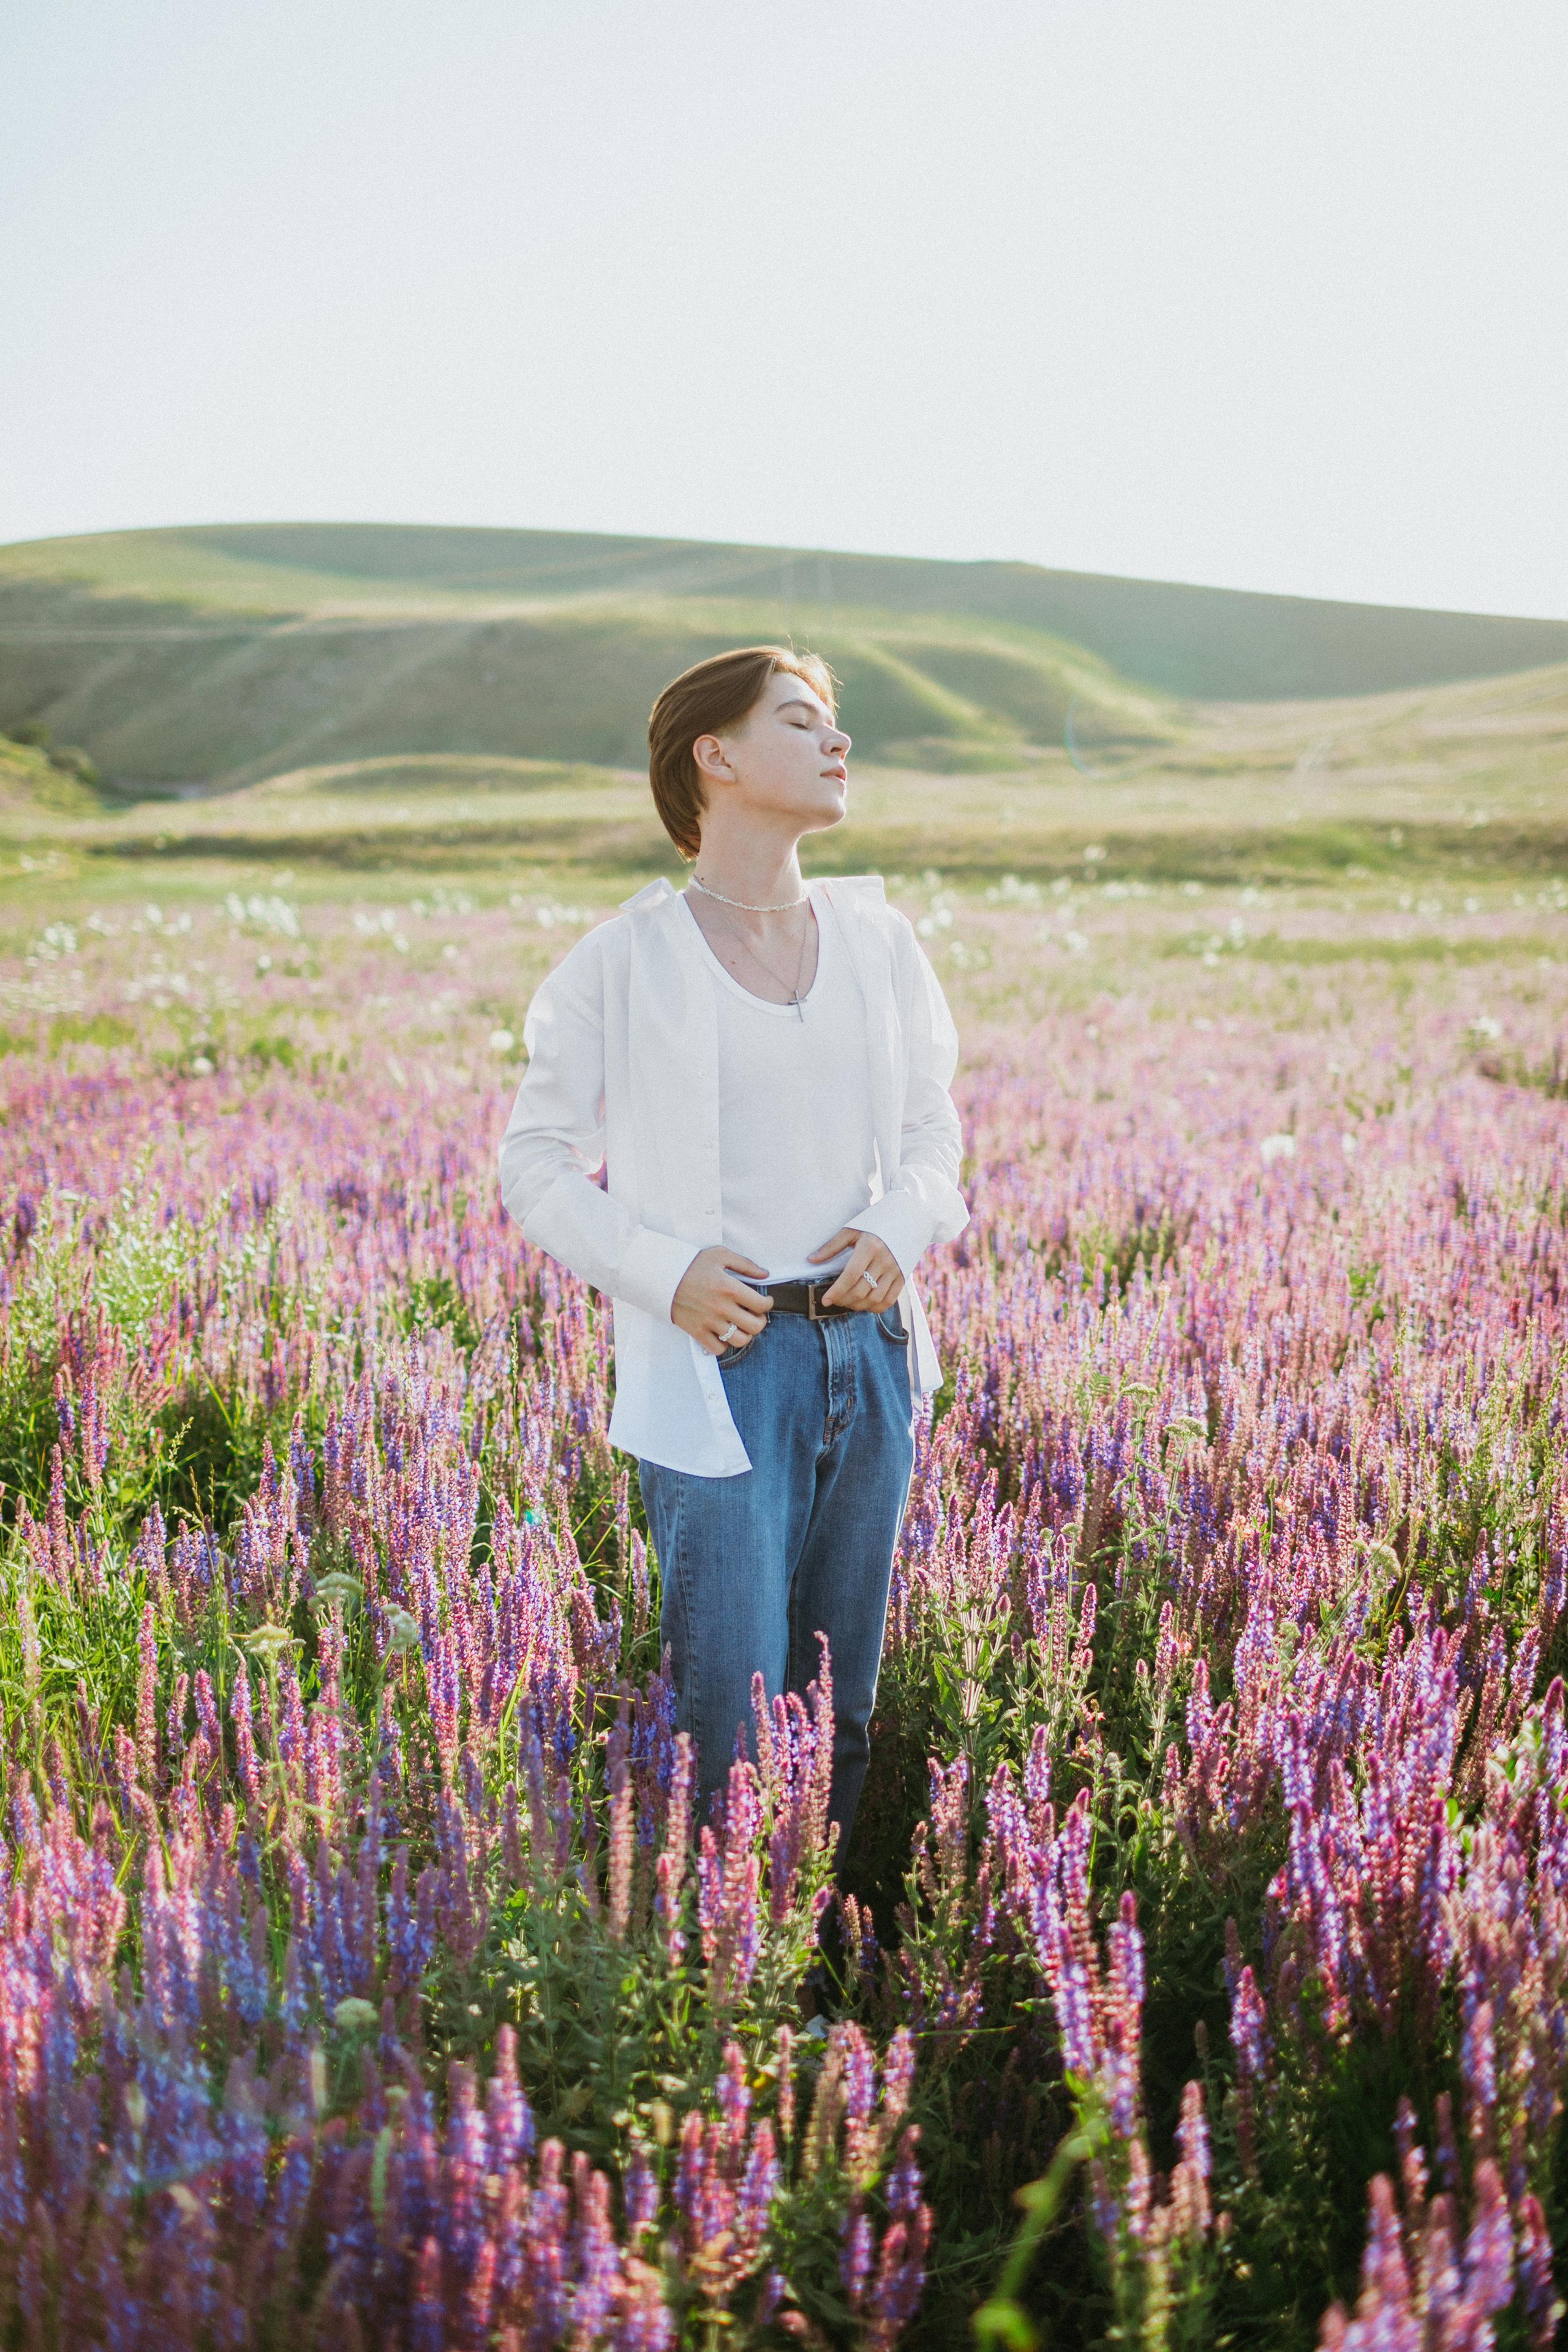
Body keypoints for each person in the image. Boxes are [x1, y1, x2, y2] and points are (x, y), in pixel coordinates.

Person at [497, 646, 968, 1847]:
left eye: (832, 723)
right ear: (714, 756)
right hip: (720, 1369)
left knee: (838, 1715)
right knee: (731, 1727)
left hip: (867, 1356)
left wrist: (898, 1226)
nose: (836, 743)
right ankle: (729, 1994)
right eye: (801, 720)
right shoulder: (625, 959)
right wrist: (666, 1275)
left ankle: (813, 1991)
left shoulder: (878, 942)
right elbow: (533, 1161)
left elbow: (931, 1132)